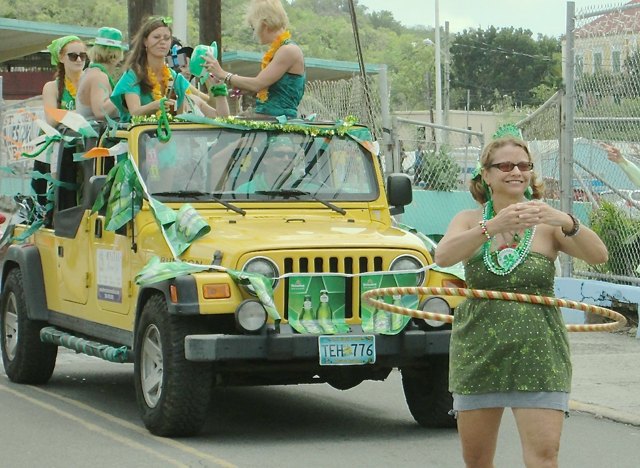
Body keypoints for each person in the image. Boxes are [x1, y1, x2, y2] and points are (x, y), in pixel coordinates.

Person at [434, 134, 608, 468]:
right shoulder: (469, 220)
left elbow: (599, 255)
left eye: (524, 165)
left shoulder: (546, 222)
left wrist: (568, 222)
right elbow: (443, 256)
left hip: (539, 353)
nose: (516, 171)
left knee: (544, 458)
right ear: (486, 175)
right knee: (478, 461)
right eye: (506, 165)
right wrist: (492, 227)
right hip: (479, 351)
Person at [110, 17, 229, 122]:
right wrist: (155, 105)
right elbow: (134, 112)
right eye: (156, 37)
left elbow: (209, 104)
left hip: (167, 140)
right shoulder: (133, 74)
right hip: (137, 140)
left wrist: (213, 82)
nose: (162, 42)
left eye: (166, 38)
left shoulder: (175, 77)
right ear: (145, 41)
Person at [203, 0, 305, 118]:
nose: (254, 33)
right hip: (267, 121)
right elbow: (270, 89)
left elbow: (258, 84)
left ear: (264, 25)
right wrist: (249, 90)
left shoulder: (288, 50)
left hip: (277, 125)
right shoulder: (280, 50)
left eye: (253, 28)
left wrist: (223, 74)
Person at [76, 27, 127, 121]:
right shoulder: (99, 76)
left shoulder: (89, 72)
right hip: (98, 134)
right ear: (116, 54)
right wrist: (123, 92)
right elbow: (100, 112)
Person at [42, 36, 87, 126]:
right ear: (61, 58)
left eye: (82, 56)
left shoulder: (92, 82)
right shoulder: (51, 87)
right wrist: (83, 112)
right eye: (73, 56)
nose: (79, 60)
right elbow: (51, 120)